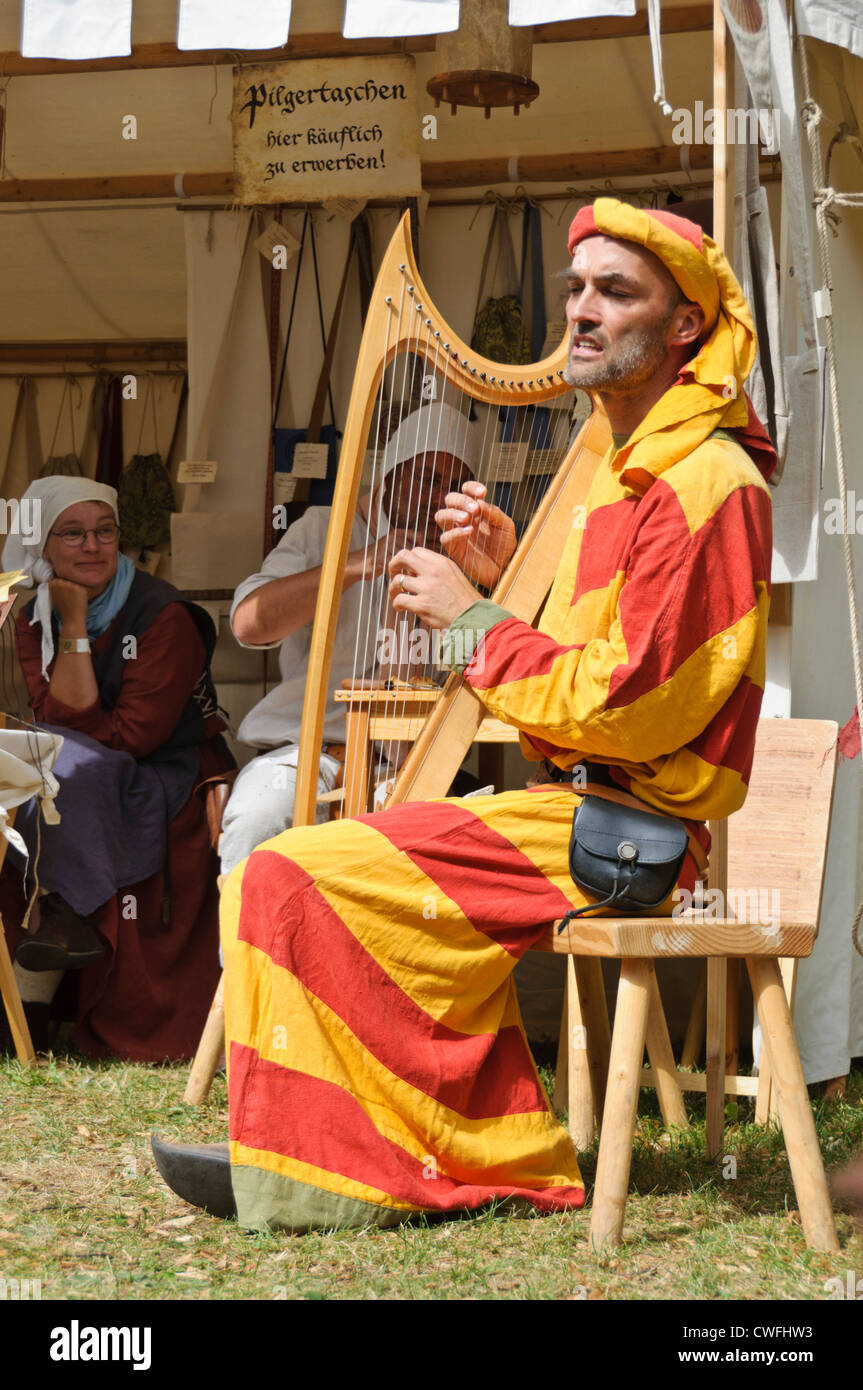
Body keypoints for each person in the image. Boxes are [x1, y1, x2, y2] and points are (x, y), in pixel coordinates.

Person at [153, 199, 775, 1231]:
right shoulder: (623, 476)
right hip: (575, 812)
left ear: (683, 329)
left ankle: (348, 1163)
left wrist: (472, 618)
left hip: (628, 837)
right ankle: (421, 1150)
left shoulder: (707, 482)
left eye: (615, 291)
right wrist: (495, 582)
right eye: (575, 287)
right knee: (307, 864)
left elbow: (625, 709)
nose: (579, 310)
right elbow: (584, 680)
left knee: (291, 868)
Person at [0, 477, 234, 1059]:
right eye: (73, 534)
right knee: (26, 788)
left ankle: (60, 927)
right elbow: (57, 715)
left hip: (162, 770)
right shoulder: (34, 614)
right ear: (44, 548)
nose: (92, 547)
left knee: (58, 773)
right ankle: (27, 1006)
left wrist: (75, 628)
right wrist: (64, 620)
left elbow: (131, 736)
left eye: (105, 532)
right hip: (79, 765)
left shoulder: (163, 616)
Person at [218, 401, 487, 873]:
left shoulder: (470, 557)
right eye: (425, 478)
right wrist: (359, 563)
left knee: (470, 850)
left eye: (451, 485)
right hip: (306, 755)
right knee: (257, 822)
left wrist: (476, 580)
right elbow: (249, 624)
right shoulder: (326, 528)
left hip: (416, 763)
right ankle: (253, 950)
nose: (435, 497)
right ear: (389, 474)